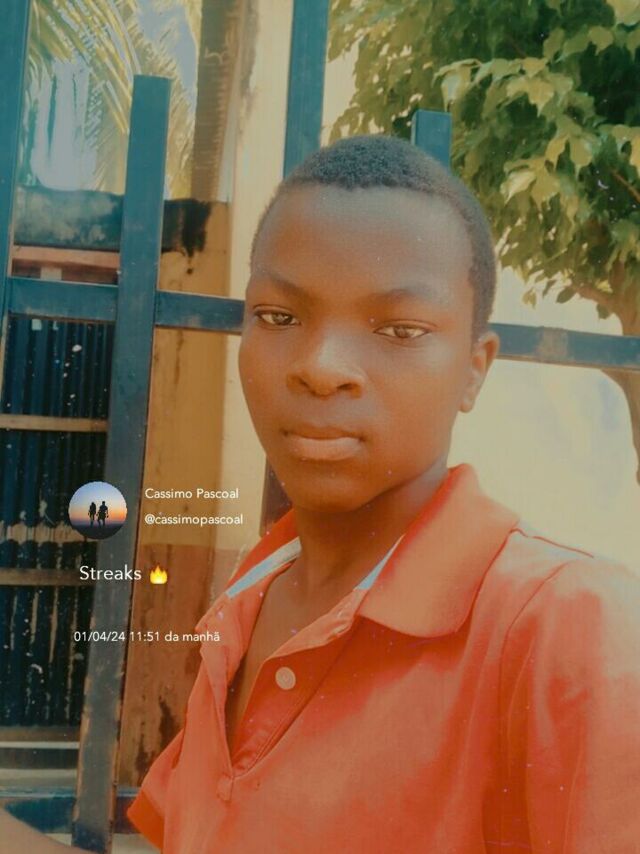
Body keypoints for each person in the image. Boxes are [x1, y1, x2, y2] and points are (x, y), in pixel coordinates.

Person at [2, 135, 638, 852]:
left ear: (474, 367)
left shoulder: (560, 628)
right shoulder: (251, 598)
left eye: (399, 329)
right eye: (280, 317)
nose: (322, 367)